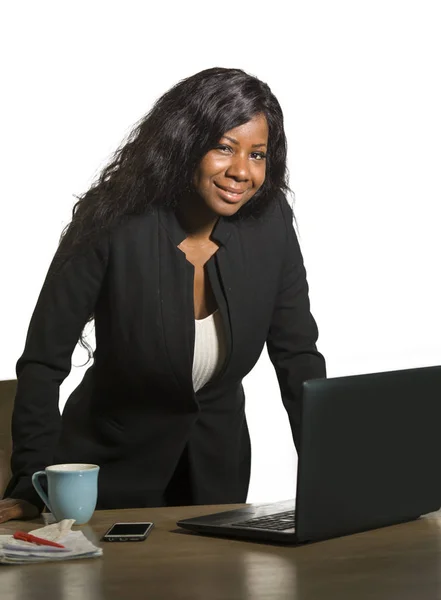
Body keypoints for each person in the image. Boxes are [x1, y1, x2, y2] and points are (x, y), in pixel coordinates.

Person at [0, 67, 326, 524]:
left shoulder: (269, 221)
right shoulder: (110, 220)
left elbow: (298, 357)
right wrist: (31, 483)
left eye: (257, 154)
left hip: (217, 477)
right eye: (224, 147)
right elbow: (42, 362)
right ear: (185, 143)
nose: (241, 171)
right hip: (106, 476)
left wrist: (333, 473)